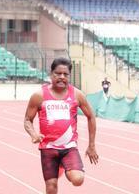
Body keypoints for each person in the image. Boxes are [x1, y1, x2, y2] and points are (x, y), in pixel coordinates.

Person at [24, 57, 99, 194]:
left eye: (65, 74)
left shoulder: (77, 95)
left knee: (78, 179)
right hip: (48, 149)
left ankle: (65, 167)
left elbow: (91, 117)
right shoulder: (39, 95)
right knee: (51, 187)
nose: (61, 77)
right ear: (51, 74)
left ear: (69, 76)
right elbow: (27, 119)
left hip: (69, 147)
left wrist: (92, 145)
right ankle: (60, 166)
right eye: (57, 73)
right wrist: (33, 134)